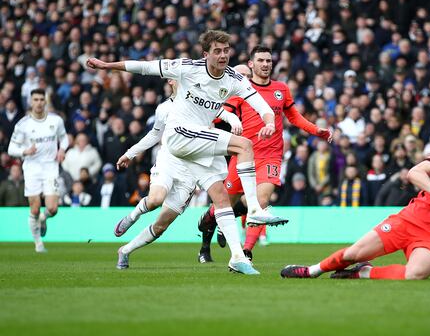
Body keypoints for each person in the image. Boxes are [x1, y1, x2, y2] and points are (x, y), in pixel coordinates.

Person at [87, 30, 278, 275]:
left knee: (218, 199)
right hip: (179, 137)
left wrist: (269, 121)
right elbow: (144, 67)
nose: (222, 56)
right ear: (206, 54)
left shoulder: (234, 79)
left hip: (196, 149)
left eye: (226, 50)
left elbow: (260, 104)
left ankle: (237, 257)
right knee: (244, 145)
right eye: (217, 51)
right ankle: (253, 208)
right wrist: (107, 65)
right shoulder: (187, 68)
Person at [280, 118, 430, 280]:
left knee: (416, 275)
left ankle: (363, 274)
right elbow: (414, 173)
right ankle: (312, 271)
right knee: (354, 252)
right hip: (410, 219)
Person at [197, 46, 332, 262]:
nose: (266, 64)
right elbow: (219, 115)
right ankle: (208, 228)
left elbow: (295, 117)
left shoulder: (281, 89)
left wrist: (317, 130)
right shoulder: (241, 90)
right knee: (224, 205)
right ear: (251, 64)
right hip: (242, 156)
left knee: (260, 203)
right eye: (261, 60)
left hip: (271, 156)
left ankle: (247, 251)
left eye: (269, 61)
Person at [112, 79, 242, 241]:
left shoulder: (200, 101)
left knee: (162, 224)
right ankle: (133, 216)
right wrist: (130, 154)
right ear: (171, 80)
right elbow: (154, 134)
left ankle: (125, 251)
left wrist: (234, 120)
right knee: (155, 200)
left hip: (191, 167)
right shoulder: (164, 108)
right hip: (169, 161)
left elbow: (222, 112)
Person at [7, 89, 68, 253]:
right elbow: (11, 148)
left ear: (45, 102)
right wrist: (24, 152)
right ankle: (38, 244)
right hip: (32, 169)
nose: (39, 102)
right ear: (31, 102)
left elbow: (64, 138)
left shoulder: (56, 121)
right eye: (36, 99)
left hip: (50, 168)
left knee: (53, 209)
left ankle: (44, 218)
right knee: (34, 209)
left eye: (42, 99)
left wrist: (62, 149)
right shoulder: (23, 124)